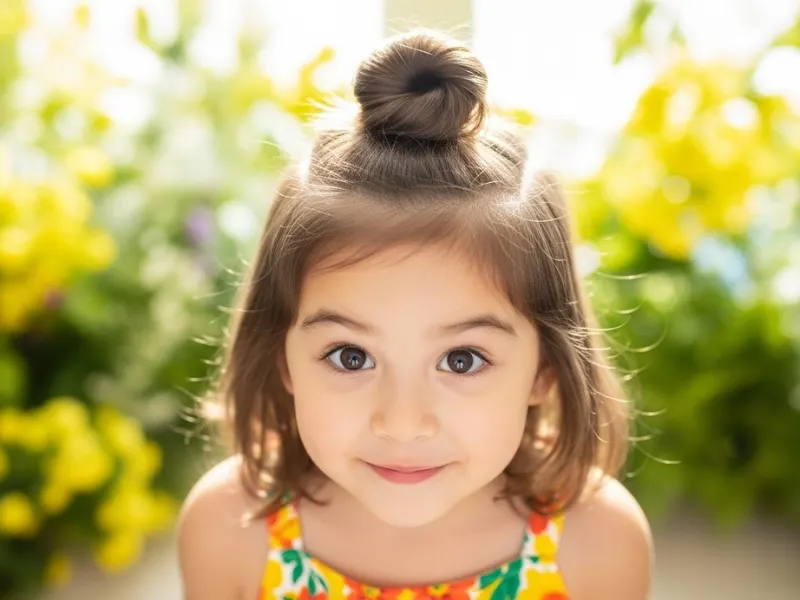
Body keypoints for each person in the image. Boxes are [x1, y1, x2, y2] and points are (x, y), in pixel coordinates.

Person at [178, 29, 653, 600]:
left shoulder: (596, 543)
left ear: (545, 367)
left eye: (462, 359)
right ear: (283, 356)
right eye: (350, 357)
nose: (403, 422)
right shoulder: (231, 533)